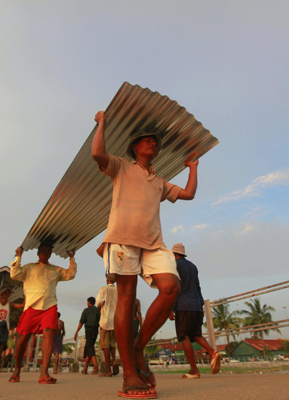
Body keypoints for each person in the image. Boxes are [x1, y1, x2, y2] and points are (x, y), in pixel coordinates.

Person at [91, 110, 199, 399]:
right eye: (146, 140)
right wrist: (102, 123)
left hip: (153, 243)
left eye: (155, 141)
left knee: (170, 287)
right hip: (123, 239)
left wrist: (193, 166)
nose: (152, 143)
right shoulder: (121, 167)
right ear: (135, 148)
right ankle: (129, 374)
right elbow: (98, 153)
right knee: (126, 299)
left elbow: (188, 194)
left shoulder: (160, 181)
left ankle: (139, 347)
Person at [9, 243, 77, 384]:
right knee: (23, 339)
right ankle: (16, 370)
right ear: (38, 252)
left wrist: (72, 258)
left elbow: (70, 274)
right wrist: (18, 256)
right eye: (43, 250)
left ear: (51, 253)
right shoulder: (28, 267)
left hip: (49, 305)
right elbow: (14, 274)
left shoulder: (55, 270)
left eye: (48, 250)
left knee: (49, 333)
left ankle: (44, 373)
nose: (45, 252)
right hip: (31, 307)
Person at [169, 243, 221, 378]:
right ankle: (212, 352)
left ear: (174, 254)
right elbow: (198, 286)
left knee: (184, 336)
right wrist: (201, 305)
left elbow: (174, 287)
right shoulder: (193, 266)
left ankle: (194, 370)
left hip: (183, 305)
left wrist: (171, 308)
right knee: (196, 334)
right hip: (196, 304)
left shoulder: (175, 266)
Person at [96, 278, 118, 377]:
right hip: (115, 320)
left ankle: (108, 369)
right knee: (112, 344)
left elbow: (99, 302)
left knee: (105, 346)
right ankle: (114, 360)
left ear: (107, 280)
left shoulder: (103, 289)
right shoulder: (118, 290)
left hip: (105, 320)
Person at [74, 296, 100, 375]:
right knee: (88, 347)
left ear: (88, 302)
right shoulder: (97, 311)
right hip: (95, 330)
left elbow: (81, 322)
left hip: (88, 330)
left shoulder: (86, 310)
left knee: (89, 347)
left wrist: (76, 332)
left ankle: (96, 366)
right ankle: (85, 369)